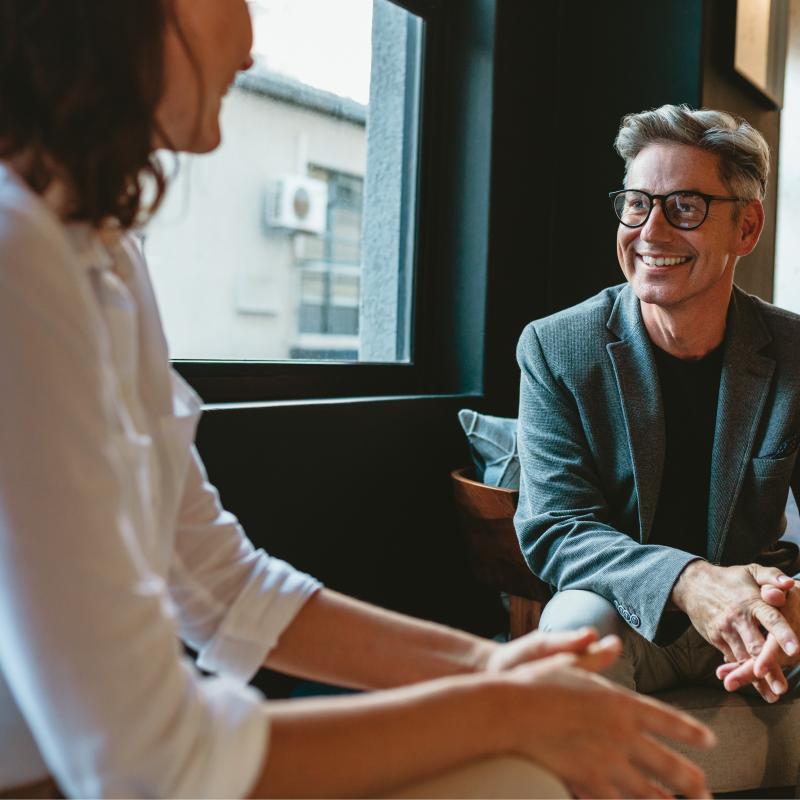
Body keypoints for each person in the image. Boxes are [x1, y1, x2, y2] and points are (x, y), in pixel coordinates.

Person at [0, 5, 715, 798]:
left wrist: (495, 667)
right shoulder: (16, 260)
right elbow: (146, 761)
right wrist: (503, 711)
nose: (250, 38)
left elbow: (220, 583)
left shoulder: (105, 253)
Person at [514, 103, 800, 706]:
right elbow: (556, 529)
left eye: (685, 207)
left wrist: (792, 605)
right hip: (626, 613)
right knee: (573, 627)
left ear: (747, 228)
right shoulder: (556, 346)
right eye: (638, 203)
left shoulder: (795, 352)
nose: (651, 231)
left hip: (760, 615)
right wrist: (689, 581)